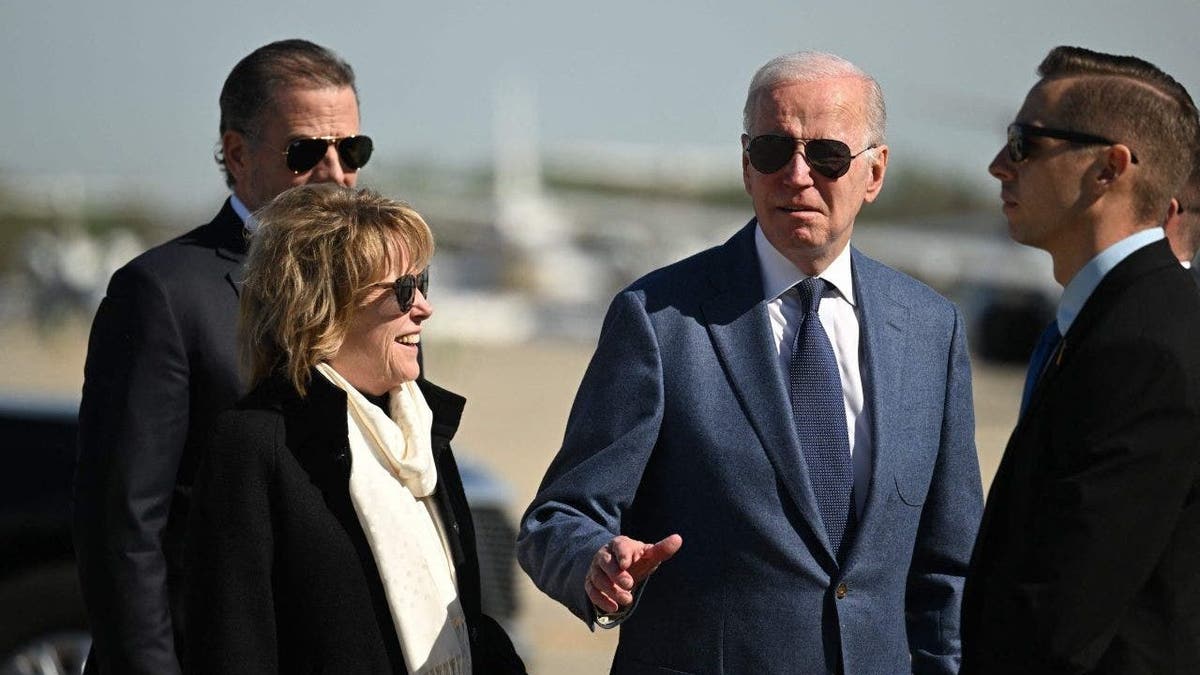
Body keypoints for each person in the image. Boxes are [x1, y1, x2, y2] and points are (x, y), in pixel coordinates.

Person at [518, 50, 983, 674]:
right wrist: (598, 564)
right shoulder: (659, 319)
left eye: (827, 156)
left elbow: (949, 571)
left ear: (874, 174)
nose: (796, 175)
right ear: (745, 165)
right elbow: (559, 518)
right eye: (771, 152)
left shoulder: (930, 329)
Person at [72, 39, 371, 674]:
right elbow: (125, 530)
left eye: (351, 150)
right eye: (305, 151)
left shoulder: (376, 292)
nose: (335, 172)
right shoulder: (160, 294)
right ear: (237, 153)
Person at [185, 184, 525, 674]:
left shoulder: (420, 430)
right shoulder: (255, 444)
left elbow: (468, 624)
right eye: (403, 290)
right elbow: (232, 648)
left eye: (422, 282)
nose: (424, 307)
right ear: (323, 306)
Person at [961, 46, 1200, 674]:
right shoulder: (1115, 321)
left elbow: (1062, 616)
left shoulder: (1144, 346)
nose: (997, 167)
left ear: (1108, 169)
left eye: (1023, 145)